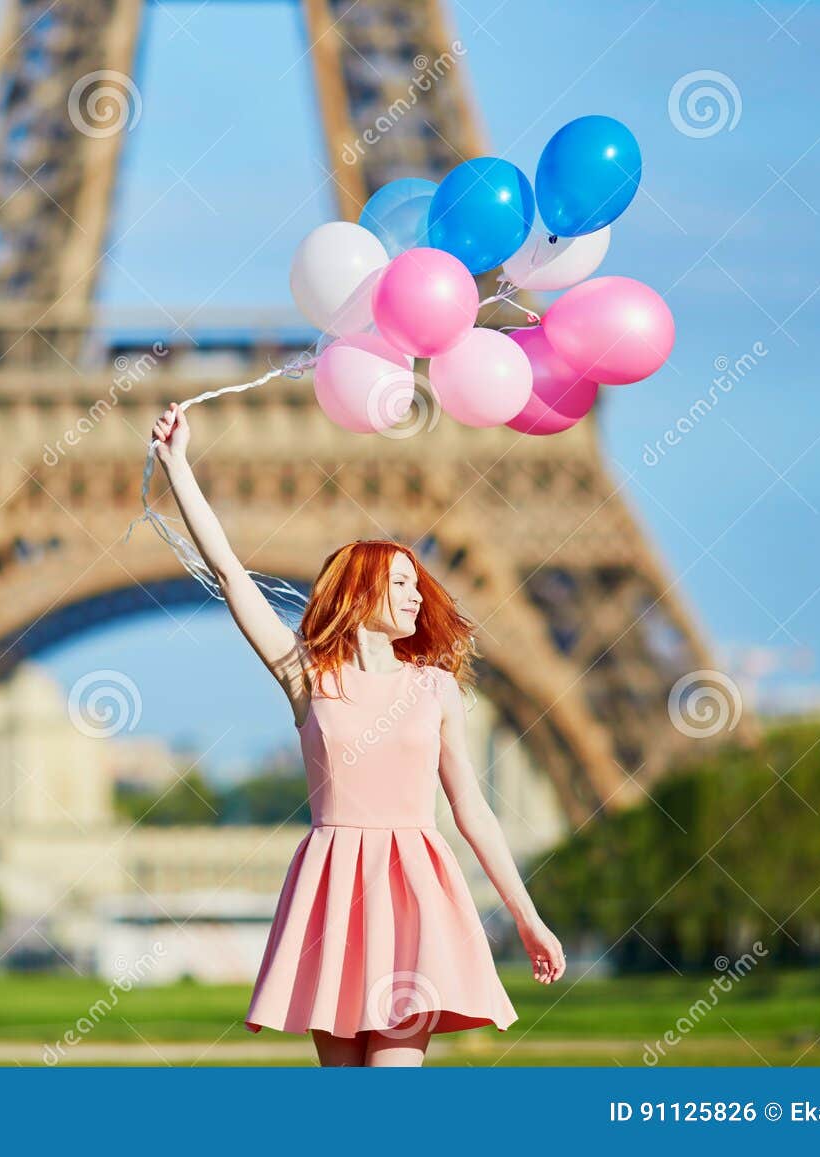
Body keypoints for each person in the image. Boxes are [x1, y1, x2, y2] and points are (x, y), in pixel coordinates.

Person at [149, 402, 566, 1067]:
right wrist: (177, 467)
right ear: (360, 590)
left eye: (417, 585)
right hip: (333, 889)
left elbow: (472, 810)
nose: (416, 596)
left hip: (413, 887)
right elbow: (231, 572)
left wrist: (527, 915)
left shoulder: (435, 688)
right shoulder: (307, 675)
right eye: (400, 582)